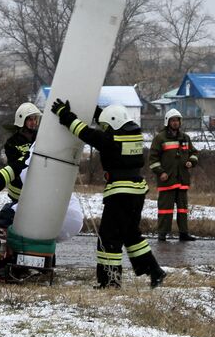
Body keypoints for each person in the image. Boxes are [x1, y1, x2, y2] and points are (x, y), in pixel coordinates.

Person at [51, 98, 166, 288]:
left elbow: (84, 132)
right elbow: (111, 121)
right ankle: (154, 270)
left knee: (109, 237)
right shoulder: (134, 135)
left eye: (106, 125)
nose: (104, 128)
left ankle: (110, 281)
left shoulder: (110, 140)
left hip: (120, 194)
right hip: (137, 192)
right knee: (131, 235)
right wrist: (94, 110)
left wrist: (65, 114)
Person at [148, 109, 199, 242]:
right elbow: (152, 159)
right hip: (167, 180)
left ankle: (184, 233)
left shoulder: (185, 138)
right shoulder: (160, 138)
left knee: (183, 209)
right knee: (165, 210)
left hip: (182, 180)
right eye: (173, 120)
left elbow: (194, 153)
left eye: (177, 120)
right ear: (167, 122)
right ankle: (162, 234)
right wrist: (161, 172)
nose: (175, 123)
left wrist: (191, 161)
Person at [3, 102, 41, 202]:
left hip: (35, 187)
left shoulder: (40, 137)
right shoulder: (11, 142)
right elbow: (15, 166)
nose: (33, 122)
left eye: (35, 119)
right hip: (18, 190)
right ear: (22, 120)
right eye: (30, 119)